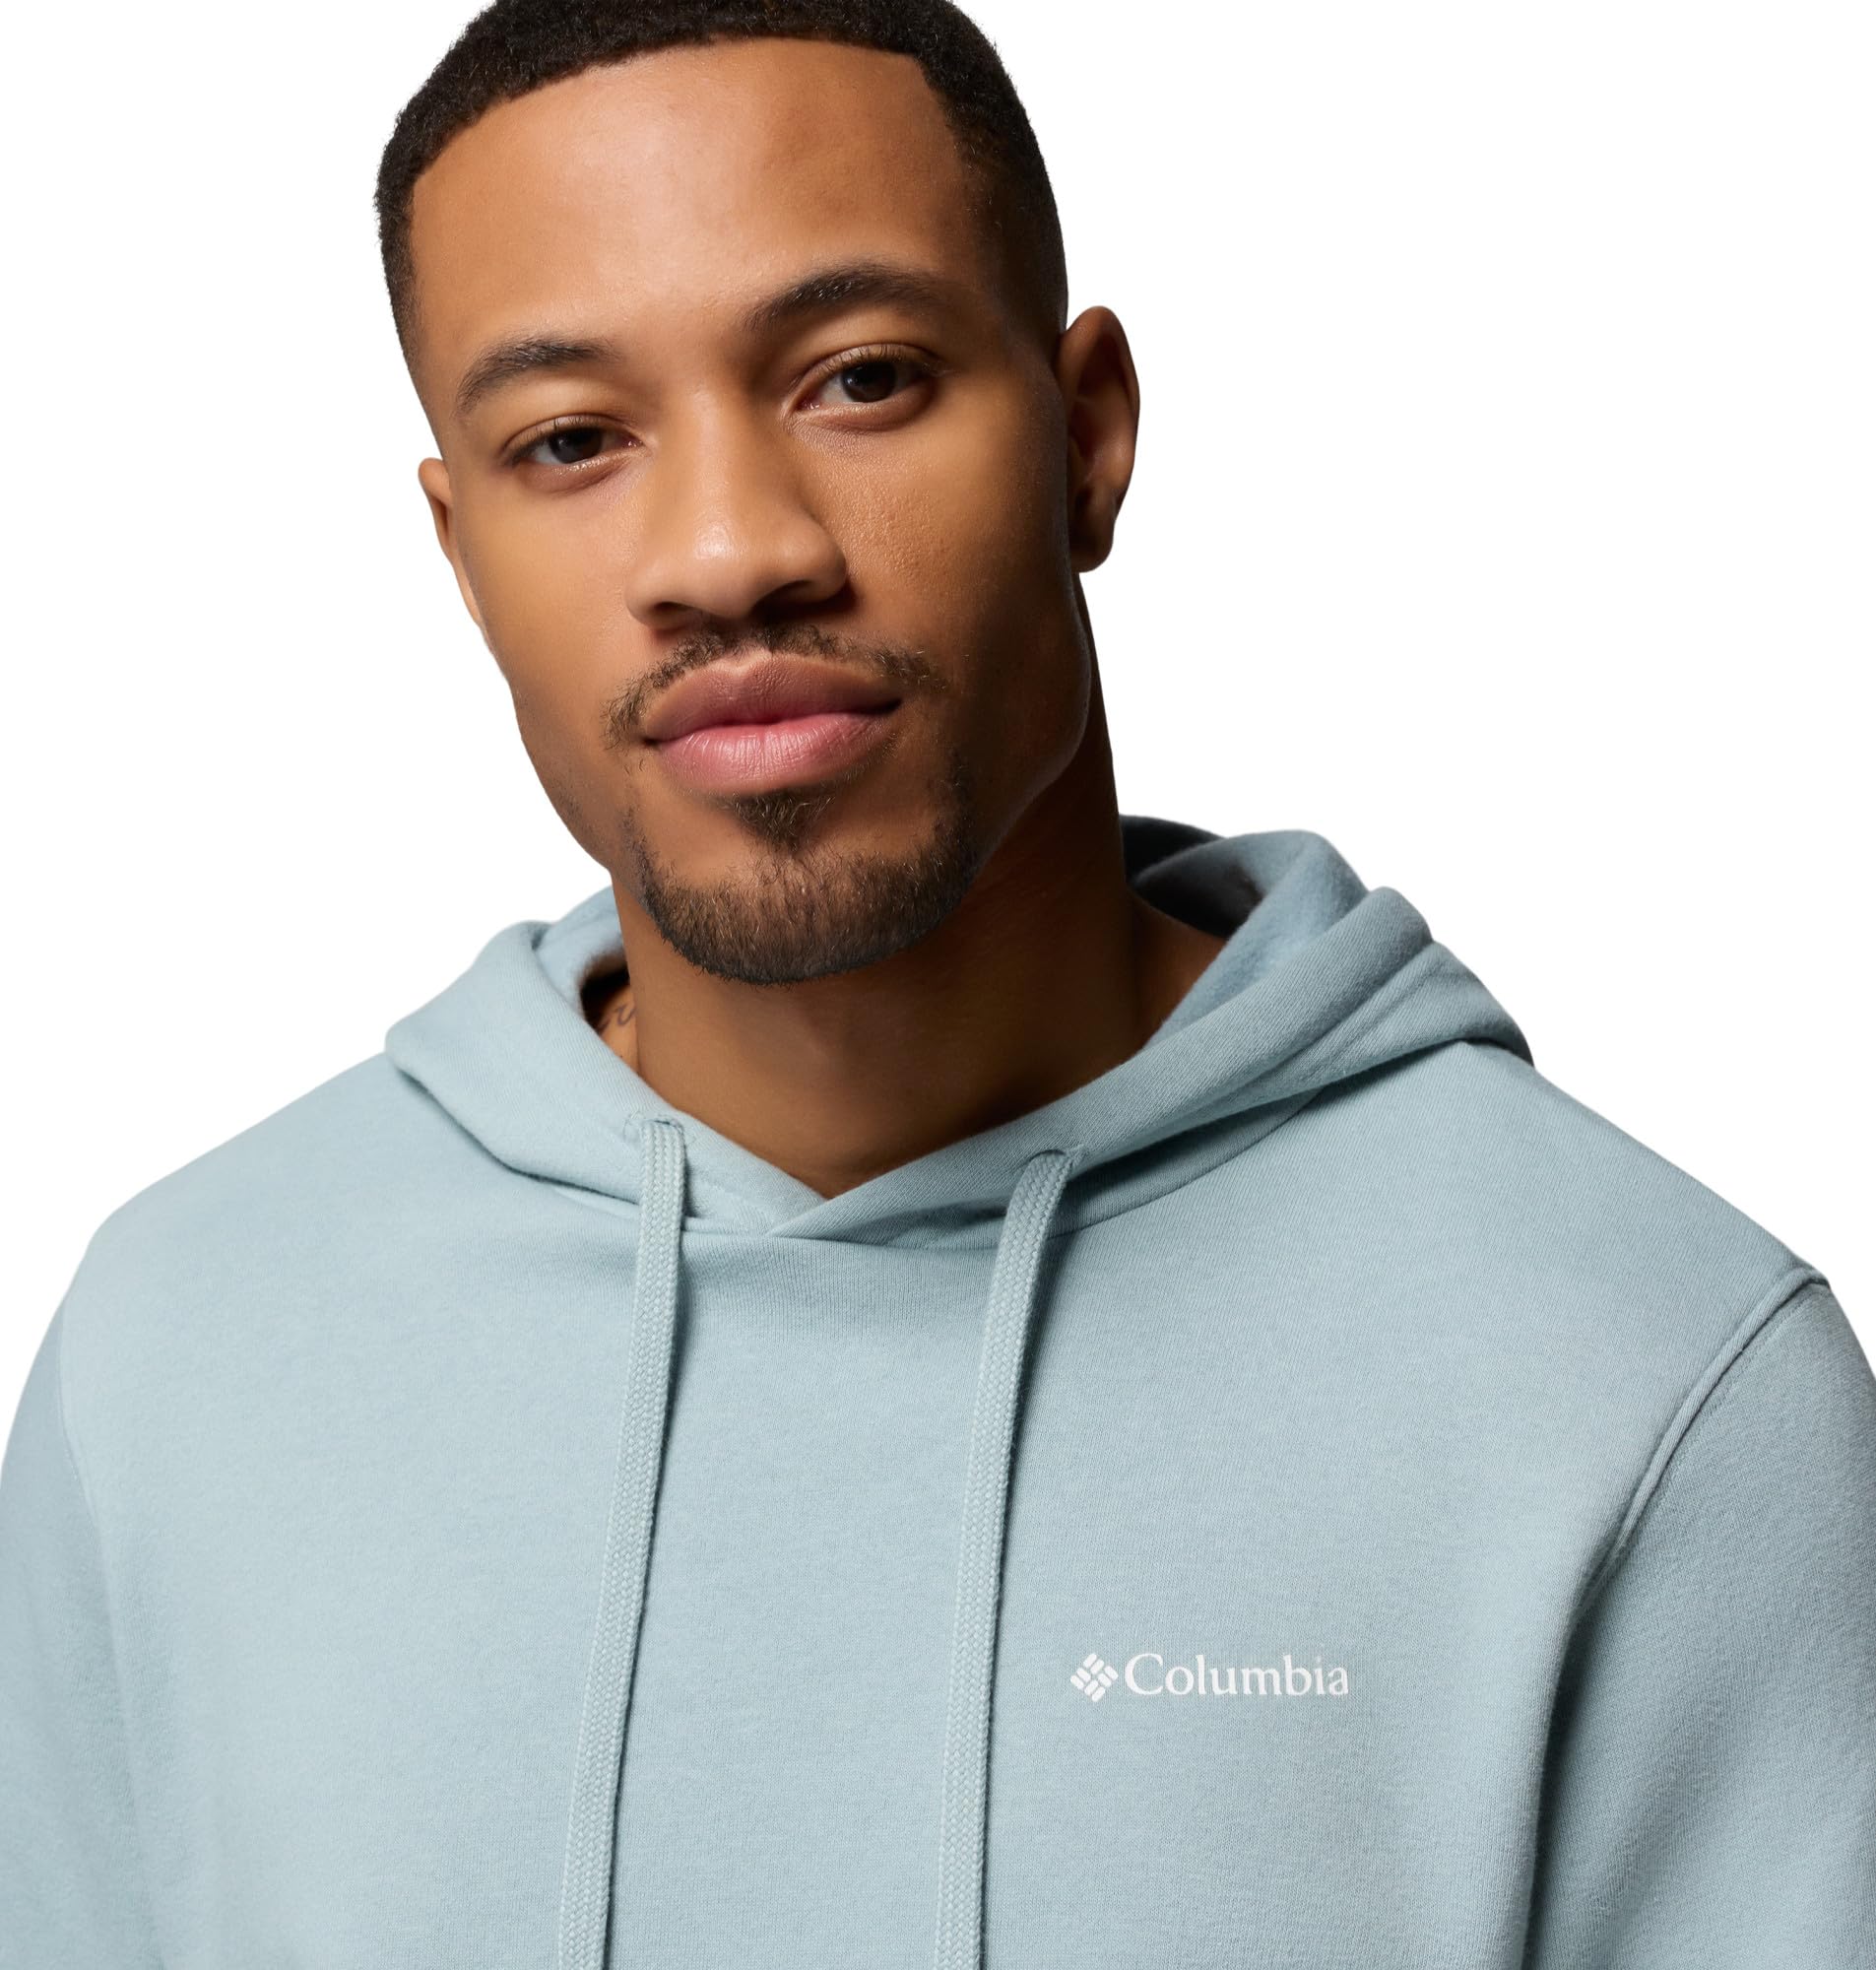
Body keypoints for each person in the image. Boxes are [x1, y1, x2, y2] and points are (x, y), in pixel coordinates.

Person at [4, 0, 1872, 1962]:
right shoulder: (182, 1355)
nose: (728, 551)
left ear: (1087, 437)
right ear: (460, 555)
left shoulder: (1638, 1371)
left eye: (860, 379)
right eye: (570, 439)